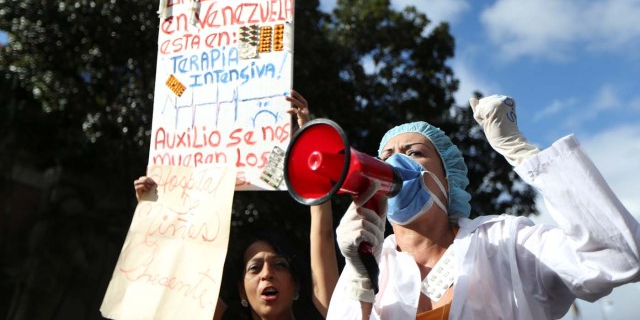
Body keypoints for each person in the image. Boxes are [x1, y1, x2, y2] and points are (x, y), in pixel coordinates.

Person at [327, 94, 640, 319]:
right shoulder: (370, 267)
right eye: (384, 157)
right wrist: (360, 277)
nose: (395, 164)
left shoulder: (508, 243)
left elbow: (620, 258)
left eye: (415, 153)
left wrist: (522, 152)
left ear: (448, 180)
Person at [134, 90, 338, 320]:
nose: (267, 275)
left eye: (279, 265)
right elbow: (182, 267)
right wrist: (156, 212)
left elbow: (323, 236)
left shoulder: (331, 312)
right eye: (254, 267)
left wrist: (307, 145)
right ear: (241, 289)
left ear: (297, 286)